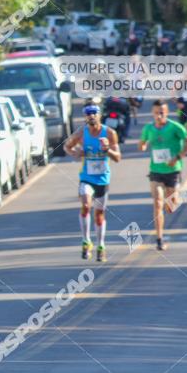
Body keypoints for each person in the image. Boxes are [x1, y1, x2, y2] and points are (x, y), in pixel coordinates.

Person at [65, 102, 121, 262]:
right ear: (84, 116)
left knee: (99, 214)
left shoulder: (109, 133)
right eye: (88, 113)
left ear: (99, 114)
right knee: (85, 205)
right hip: (86, 177)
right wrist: (76, 152)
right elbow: (67, 147)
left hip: (102, 179)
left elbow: (118, 157)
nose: (91, 115)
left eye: (94, 112)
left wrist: (107, 150)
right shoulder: (81, 134)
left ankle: (101, 246)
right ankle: (85, 241)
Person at [139, 99, 187, 251]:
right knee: (157, 203)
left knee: (170, 207)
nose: (160, 115)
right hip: (156, 171)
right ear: (153, 113)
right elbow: (142, 144)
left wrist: (177, 158)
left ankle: (172, 197)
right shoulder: (148, 128)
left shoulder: (175, 127)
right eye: (157, 112)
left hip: (173, 171)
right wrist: (143, 145)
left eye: (162, 112)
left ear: (167, 112)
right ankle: (159, 239)